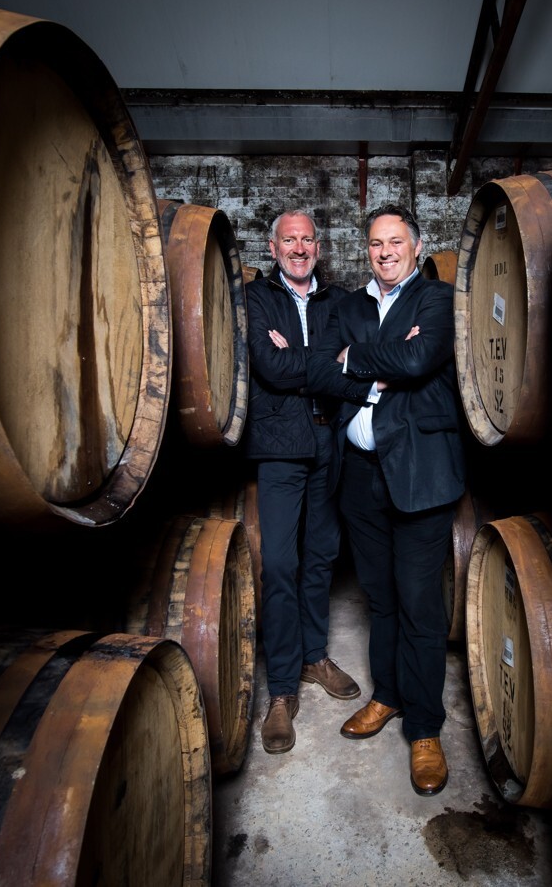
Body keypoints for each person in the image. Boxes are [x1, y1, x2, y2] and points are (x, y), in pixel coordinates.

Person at [306, 202, 466, 795]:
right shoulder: (348, 305)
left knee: (420, 604)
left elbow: (421, 358)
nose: (384, 251)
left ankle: (425, 729)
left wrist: (361, 360)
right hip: (360, 477)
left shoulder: (438, 300)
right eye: (375, 243)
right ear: (365, 249)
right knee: (380, 600)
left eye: (395, 242)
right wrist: (375, 367)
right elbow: (320, 370)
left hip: (420, 475)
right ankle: (390, 698)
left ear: (416, 248)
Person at [243, 208, 360, 755]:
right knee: (282, 566)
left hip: (327, 440)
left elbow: (349, 374)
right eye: (289, 240)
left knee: (320, 557)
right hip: (279, 446)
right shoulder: (258, 298)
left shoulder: (338, 301)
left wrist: (304, 362)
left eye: (307, 239)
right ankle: (283, 690)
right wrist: (320, 364)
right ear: (273, 248)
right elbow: (270, 367)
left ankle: (315, 657)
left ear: (319, 246)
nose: (298, 247)